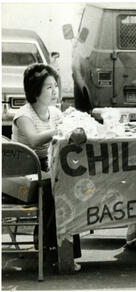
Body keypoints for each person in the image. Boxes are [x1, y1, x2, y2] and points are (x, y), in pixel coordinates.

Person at [11, 63, 81, 268]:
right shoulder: (23, 115)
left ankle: (64, 252)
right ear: (35, 91)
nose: (54, 91)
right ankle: (52, 250)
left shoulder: (56, 113)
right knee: (57, 189)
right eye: (48, 87)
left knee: (68, 185)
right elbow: (33, 140)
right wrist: (60, 128)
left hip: (46, 169)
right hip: (23, 176)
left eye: (55, 86)